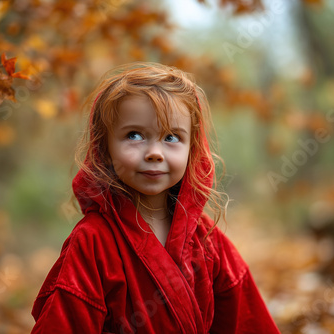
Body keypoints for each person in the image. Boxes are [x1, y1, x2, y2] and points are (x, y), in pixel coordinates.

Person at [31, 63, 280, 333]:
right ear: (105, 147)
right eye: (134, 135)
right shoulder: (92, 242)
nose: (154, 153)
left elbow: (247, 321)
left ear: (191, 149)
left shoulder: (207, 240)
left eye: (171, 137)